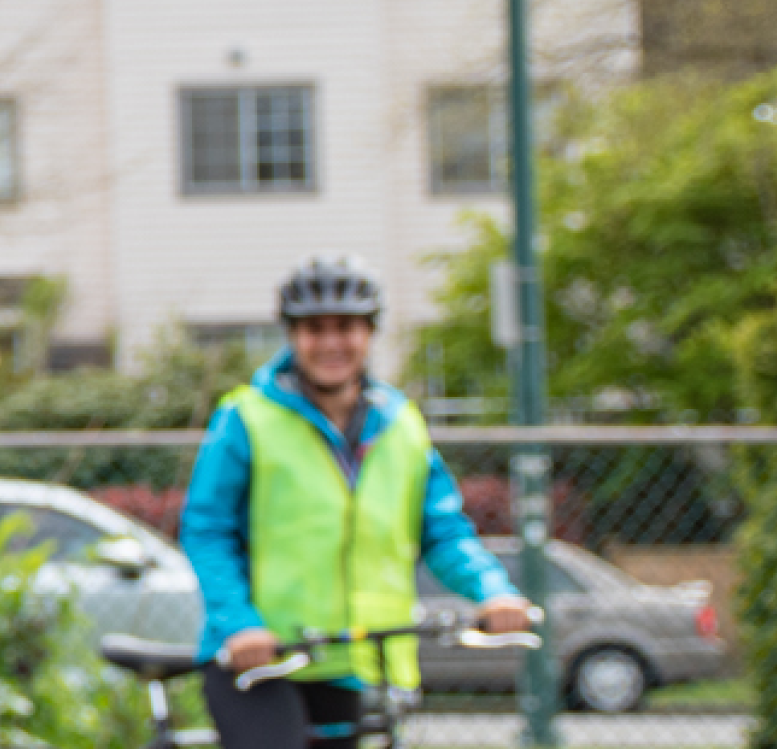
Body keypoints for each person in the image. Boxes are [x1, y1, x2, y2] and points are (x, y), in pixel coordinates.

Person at [179, 256, 538, 749]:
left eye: (346, 327)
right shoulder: (246, 418)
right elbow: (207, 530)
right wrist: (241, 624)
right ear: (292, 336)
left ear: (369, 333)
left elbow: (444, 531)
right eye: (314, 329)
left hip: (358, 659)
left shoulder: (402, 424)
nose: (331, 343)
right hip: (262, 658)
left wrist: (493, 592)